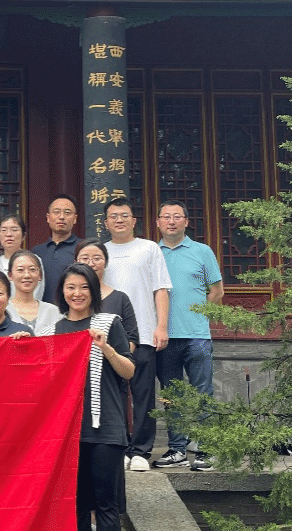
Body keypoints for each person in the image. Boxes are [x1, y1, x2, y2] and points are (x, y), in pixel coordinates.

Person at [54, 263, 135, 531]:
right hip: (69, 432)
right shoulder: (56, 328)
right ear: (62, 291)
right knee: (74, 508)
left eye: (83, 287)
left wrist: (107, 350)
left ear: (93, 291)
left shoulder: (109, 323)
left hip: (105, 430)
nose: (77, 293)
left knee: (105, 507)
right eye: (70, 287)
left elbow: (129, 370)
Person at [152, 201, 223, 472]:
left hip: (196, 336)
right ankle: (177, 449)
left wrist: (200, 318)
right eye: (166, 217)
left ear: (186, 221)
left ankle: (207, 449)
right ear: (158, 222)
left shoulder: (202, 251)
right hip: (165, 337)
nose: (171, 221)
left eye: (176, 216)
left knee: (203, 392)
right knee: (172, 395)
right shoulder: (152, 253)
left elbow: (217, 291)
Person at [102, 197, 172, 473]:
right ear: (105, 223)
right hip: (110, 339)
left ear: (133, 221)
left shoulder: (149, 248)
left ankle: (141, 450)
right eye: (113, 216)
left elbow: (161, 289)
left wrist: (161, 327)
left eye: (124, 215)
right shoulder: (101, 252)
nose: (119, 220)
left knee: (143, 396)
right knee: (114, 396)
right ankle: (119, 446)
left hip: (143, 333)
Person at [76, 240, 139, 350]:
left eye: (97, 258)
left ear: (106, 263)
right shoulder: (70, 297)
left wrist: (117, 358)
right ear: (75, 262)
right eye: (85, 258)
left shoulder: (120, 298)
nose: (91, 264)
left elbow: (131, 338)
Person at [34, 194, 83, 305]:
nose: (61, 217)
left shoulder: (83, 249)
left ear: (75, 219)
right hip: (42, 311)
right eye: (56, 212)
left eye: (67, 213)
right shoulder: (37, 252)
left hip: (73, 309)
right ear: (48, 217)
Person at [5, 250, 61, 337]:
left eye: (32, 270)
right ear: (10, 275)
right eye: (20, 270)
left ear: (40, 275)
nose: (27, 275)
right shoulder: (3, 309)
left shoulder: (53, 311)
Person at [0, 215, 44, 302]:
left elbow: (37, 292)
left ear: (24, 235)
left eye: (14, 230)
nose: (9, 234)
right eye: (3, 230)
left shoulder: (34, 260)